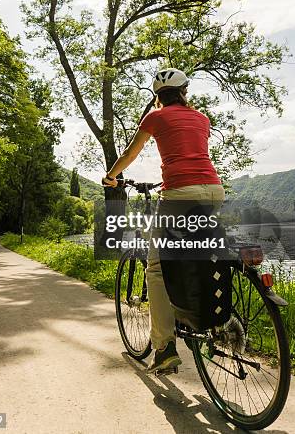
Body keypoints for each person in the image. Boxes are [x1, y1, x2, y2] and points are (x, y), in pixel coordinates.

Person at [102, 68, 224, 373]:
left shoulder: (155, 117)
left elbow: (131, 152)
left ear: (158, 96)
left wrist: (111, 176)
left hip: (179, 193)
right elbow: (190, 153)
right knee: (199, 254)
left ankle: (164, 347)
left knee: (156, 266)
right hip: (213, 190)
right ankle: (205, 317)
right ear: (185, 92)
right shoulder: (202, 119)